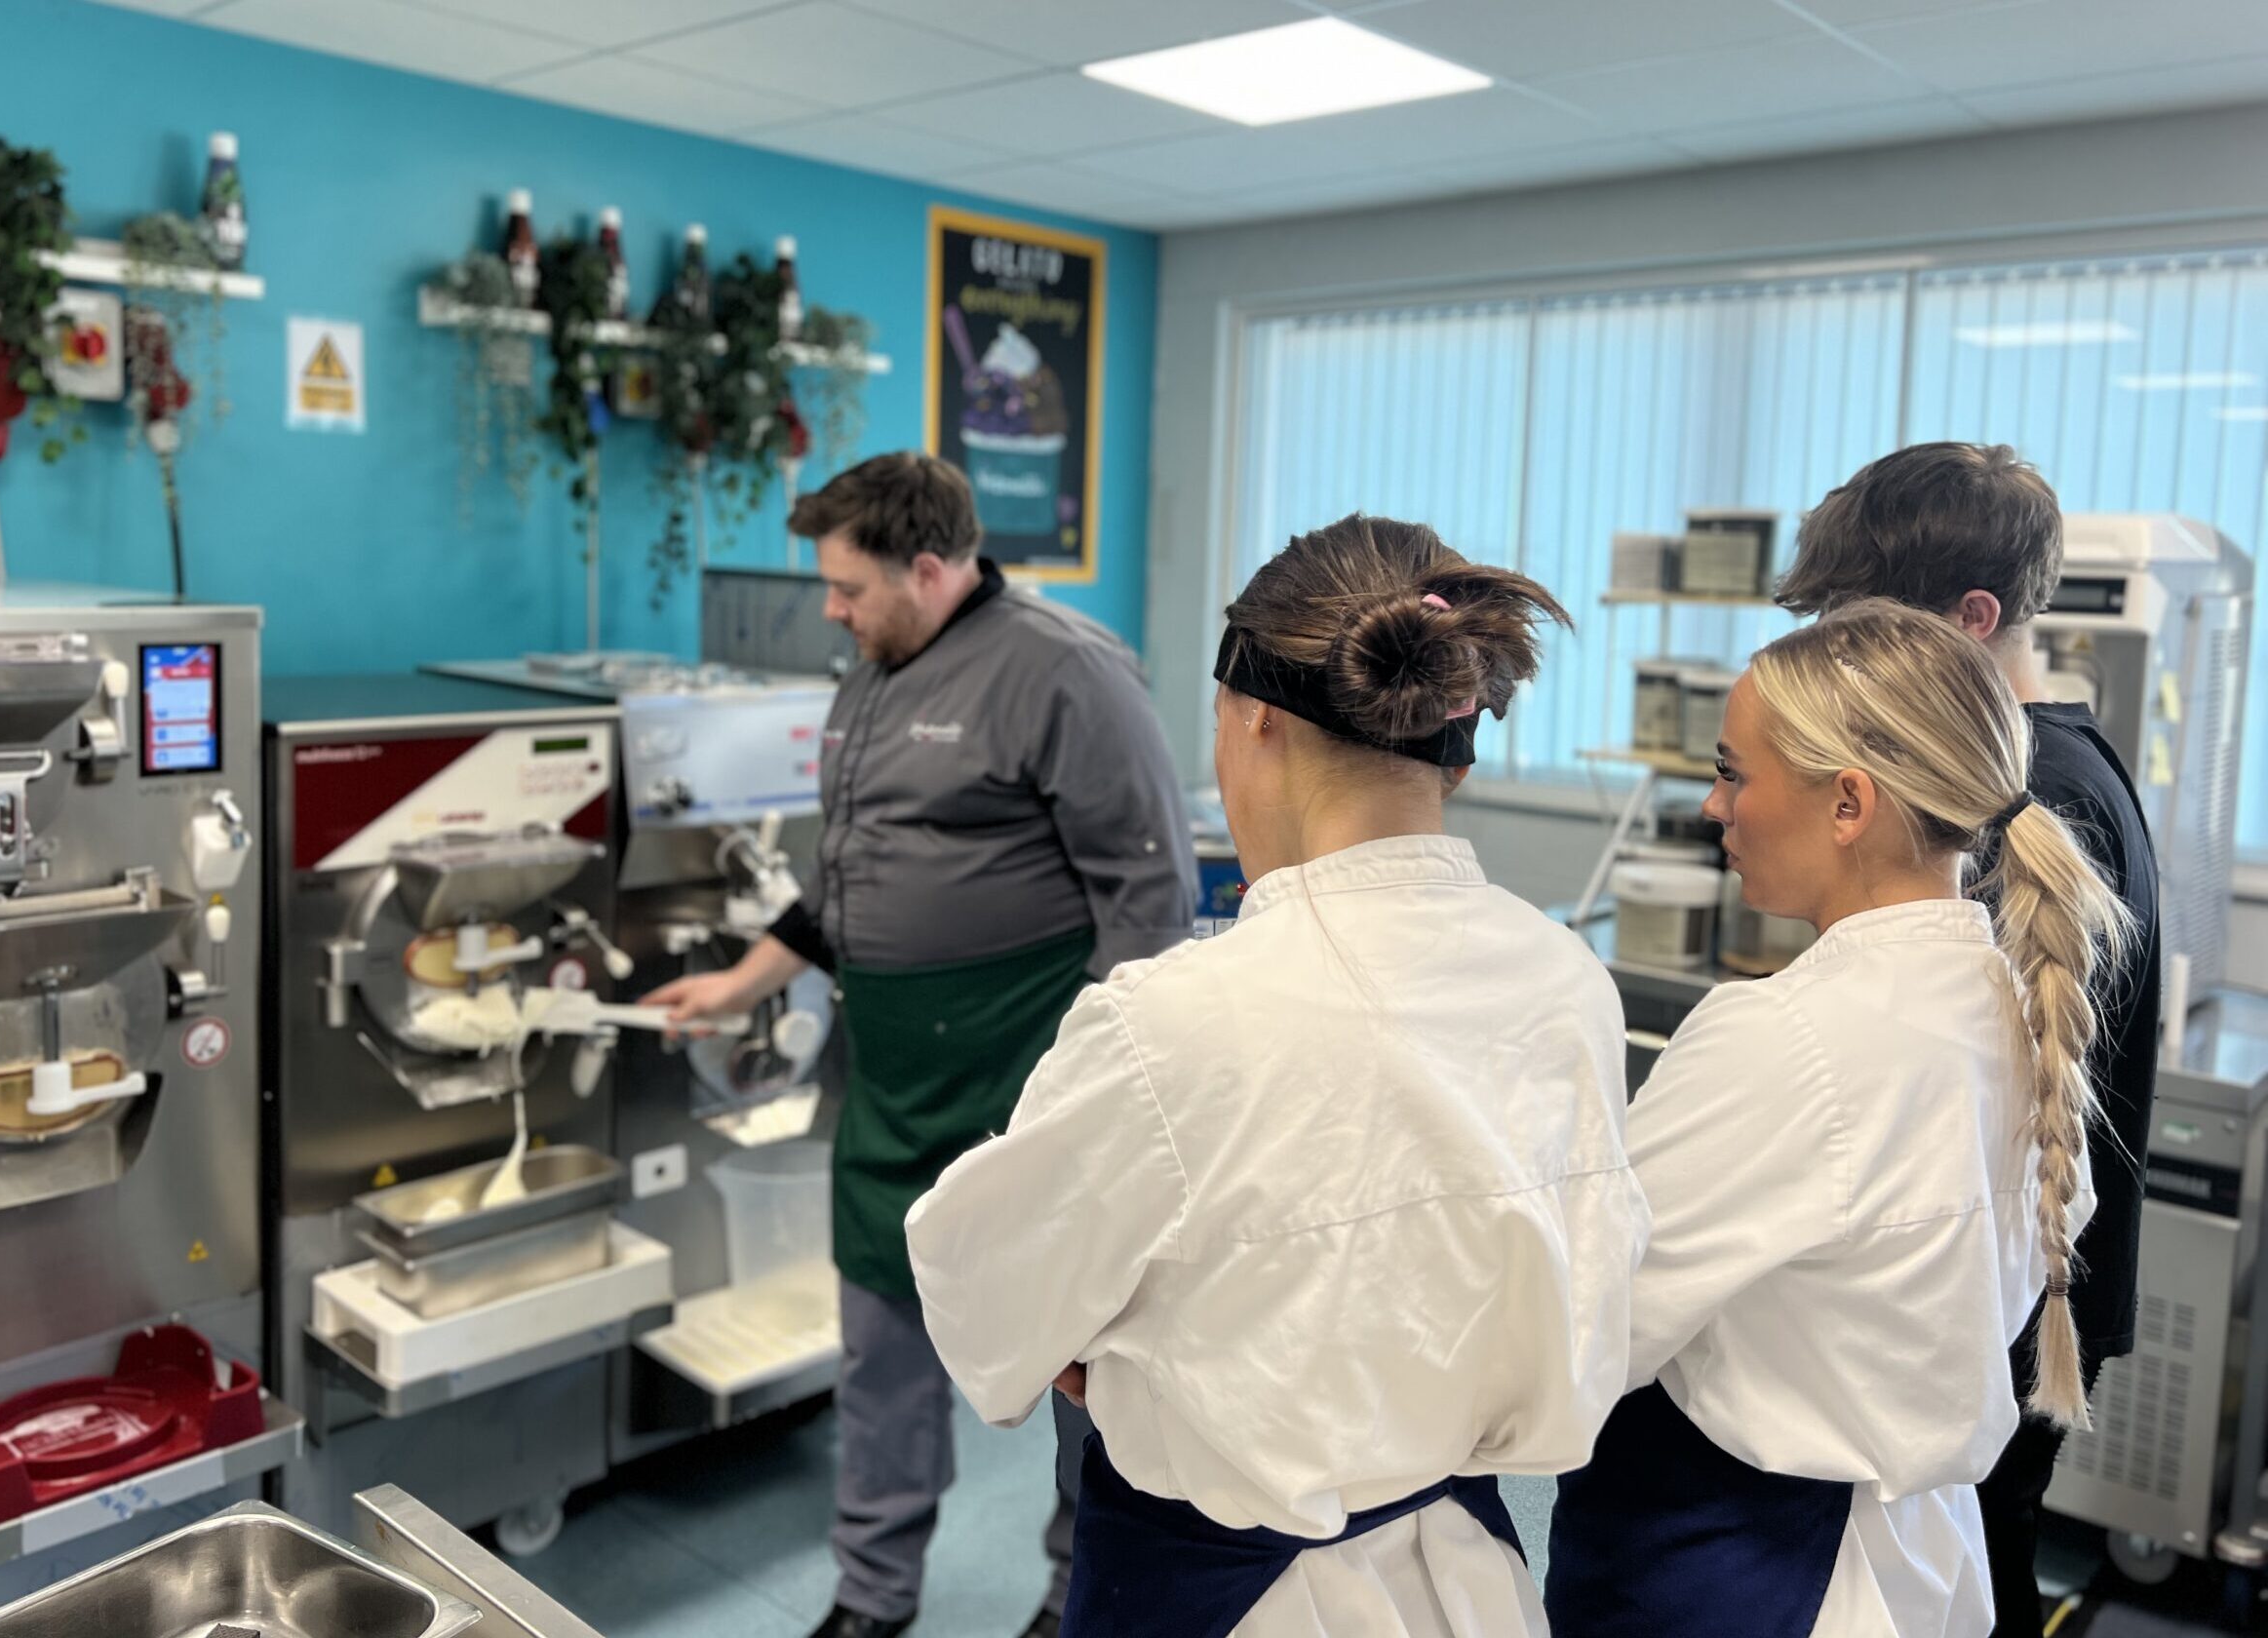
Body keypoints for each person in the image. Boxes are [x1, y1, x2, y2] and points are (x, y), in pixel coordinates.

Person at [904, 515, 1648, 1637]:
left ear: (1253, 720)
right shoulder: (1566, 979)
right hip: (1467, 1578)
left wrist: (1096, 1340)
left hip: (1217, 1597)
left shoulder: (1171, 1023)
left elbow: (991, 1296)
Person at [643, 450, 1197, 1638]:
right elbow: (846, 877)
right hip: (890, 1077)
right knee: (880, 1357)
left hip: (1023, 1075)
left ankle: (1072, 1595)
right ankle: (871, 1598)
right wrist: (743, 981)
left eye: (847, 589)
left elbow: (1147, 903)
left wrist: (1091, 1099)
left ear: (932, 568)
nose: (832, 613)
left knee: (1076, 1366)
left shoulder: (1067, 673)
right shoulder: (875, 671)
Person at [1546, 601, 2129, 1637]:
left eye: (1733, 774)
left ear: (1847, 804)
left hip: (1743, 1571)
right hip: (1911, 1561)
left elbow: (1595, 1323)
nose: (1712, 808)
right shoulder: (2027, 1018)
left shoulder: (1782, 1040)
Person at [1773, 443, 2162, 1637]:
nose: (1842, 663)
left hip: (2000, 1303)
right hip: (2006, 1286)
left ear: (1973, 616)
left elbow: (1930, 1075)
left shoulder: (2024, 799)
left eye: (1858, 625)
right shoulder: (2059, 761)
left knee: (1956, 1587)